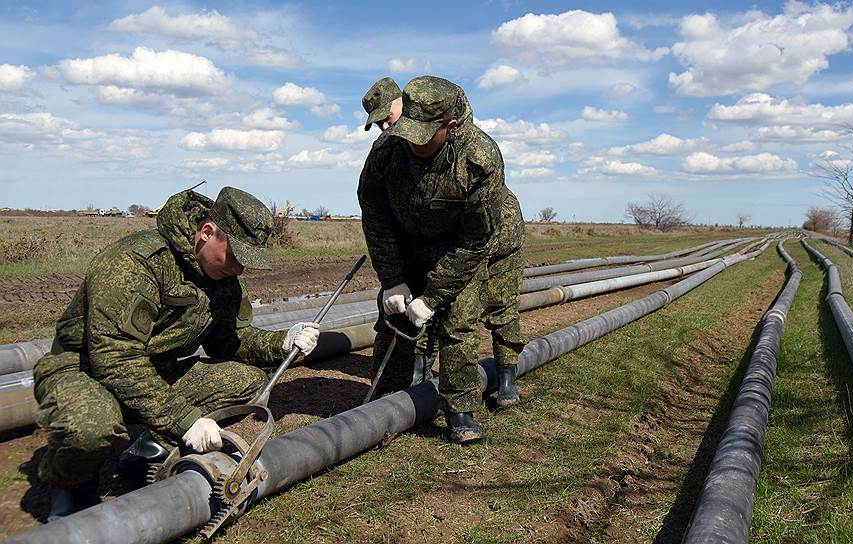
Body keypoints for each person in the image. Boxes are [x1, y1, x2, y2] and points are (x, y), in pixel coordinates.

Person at [32, 186, 320, 520]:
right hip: (83, 371)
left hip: (154, 370)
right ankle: (72, 487)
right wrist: (185, 421)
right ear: (207, 233)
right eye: (236, 257)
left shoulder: (222, 278)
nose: (240, 270)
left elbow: (229, 340)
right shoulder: (135, 263)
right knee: (90, 427)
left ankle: (146, 451)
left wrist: (283, 342)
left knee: (248, 383)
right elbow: (115, 359)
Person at [358, 76, 525, 444]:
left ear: (449, 127)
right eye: (407, 129)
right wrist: (393, 277)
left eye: (422, 134)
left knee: (460, 320)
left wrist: (433, 298)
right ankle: (384, 402)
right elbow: (375, 212)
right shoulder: (388, 150)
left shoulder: (479, 158)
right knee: (393, 317)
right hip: (405, 241)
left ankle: (460, 409)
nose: (411, 141)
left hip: (456, 249)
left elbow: (475, 239)